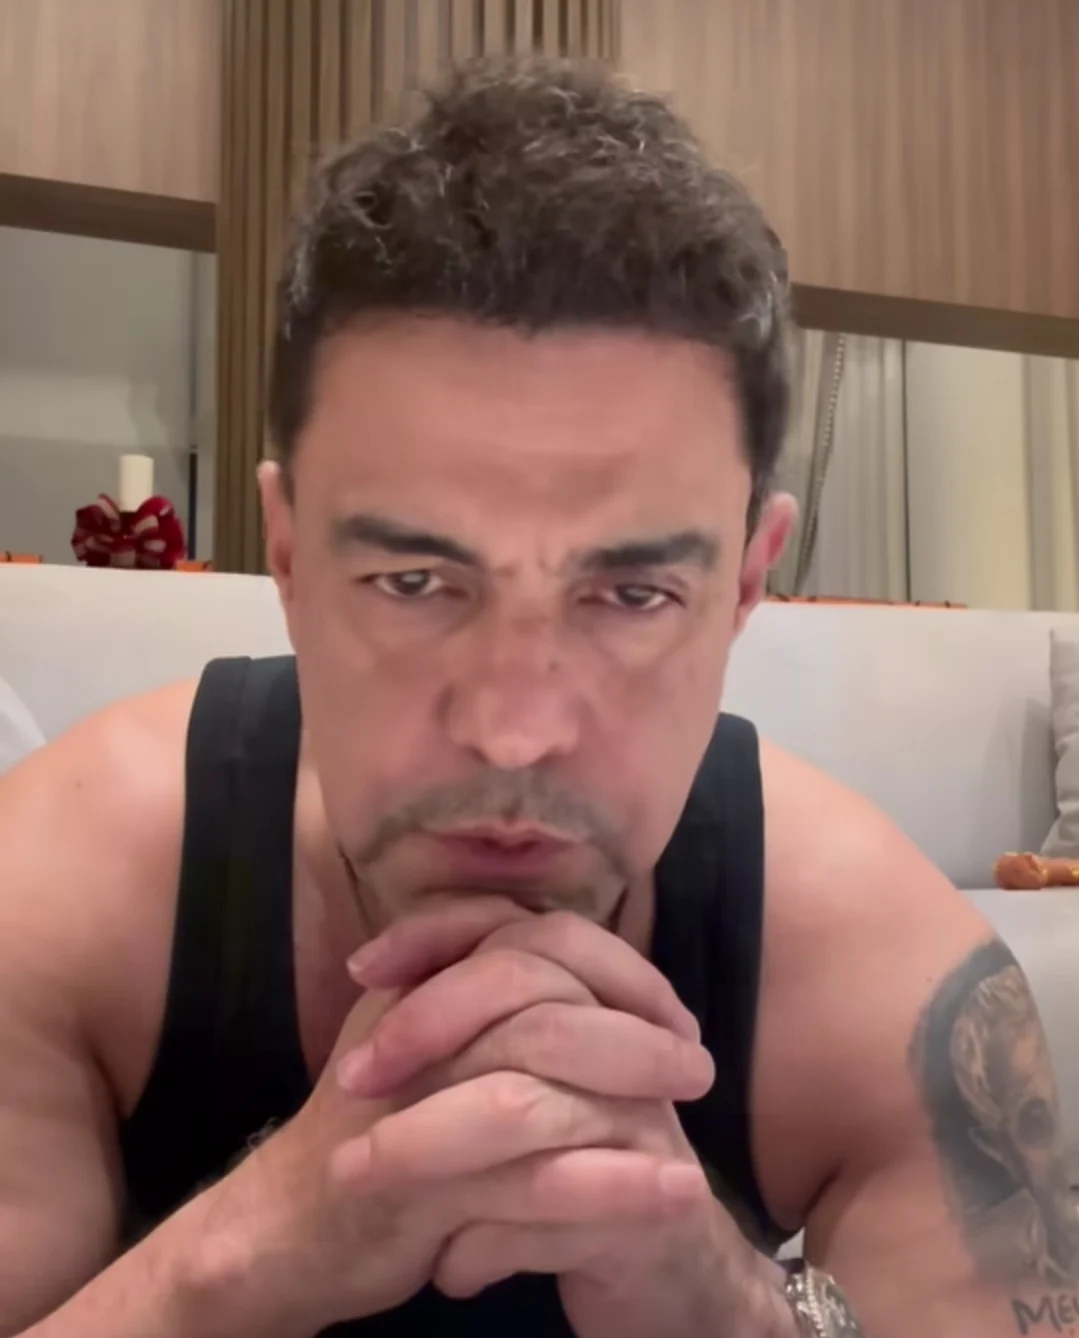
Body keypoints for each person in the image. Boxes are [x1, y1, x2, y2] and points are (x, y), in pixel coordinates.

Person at [0, 58, 1074, 1338]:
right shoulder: (57, 895)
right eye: (413, 581)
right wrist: (236, 1260)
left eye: (630, 595)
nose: (513, 732)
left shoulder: (882, 982)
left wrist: (729, 1310)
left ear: (745, 582)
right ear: (286, 557)